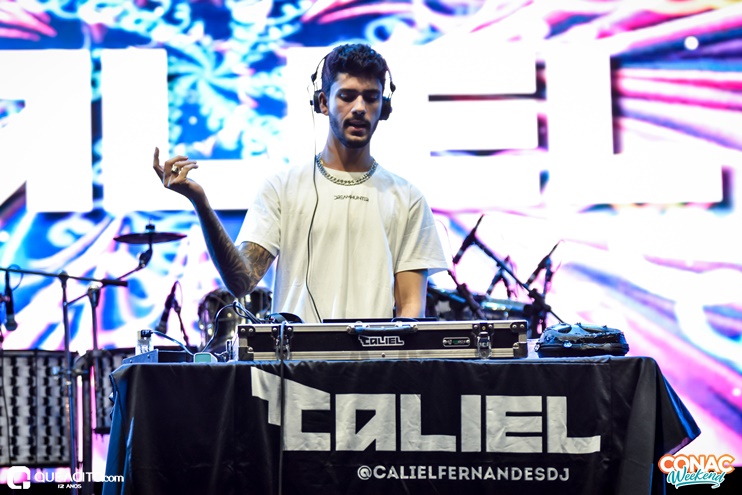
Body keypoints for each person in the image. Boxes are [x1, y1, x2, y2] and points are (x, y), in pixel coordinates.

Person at [153, 43, 448, 323]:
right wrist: (200, 202)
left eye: (371, 98)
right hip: (293, 361)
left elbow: (411, 310)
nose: (360, 107)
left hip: (374, 361)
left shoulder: (407, 198)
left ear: (384, 107)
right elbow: (241, 282)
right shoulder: (281, 188)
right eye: (347, 96)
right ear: (323, 102)